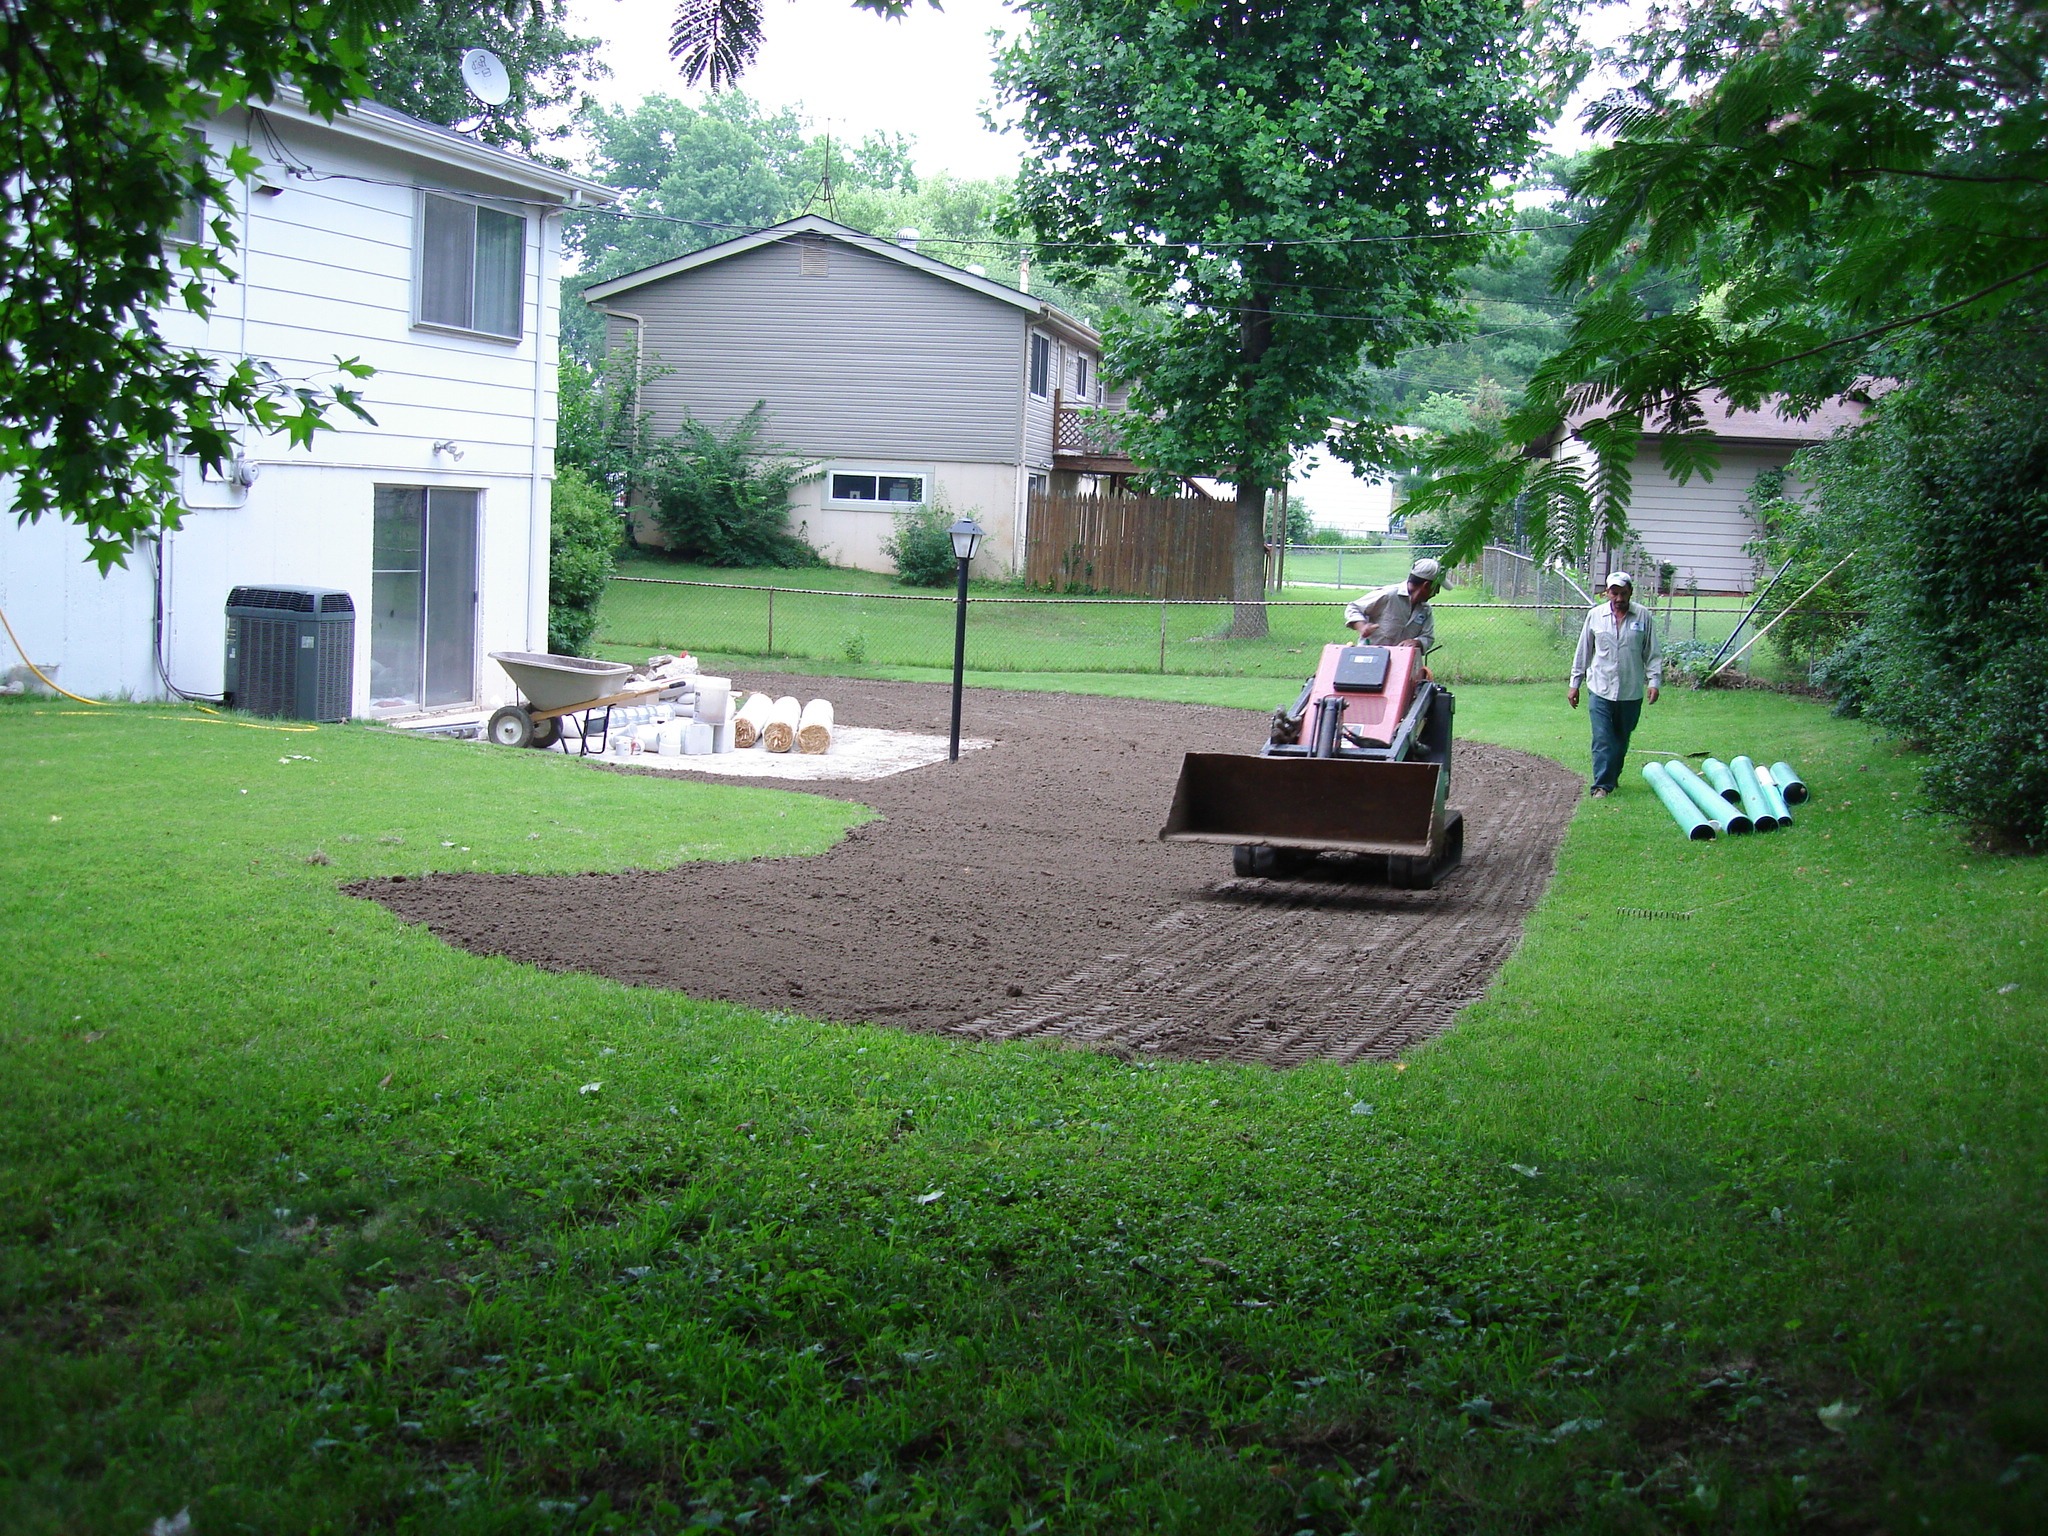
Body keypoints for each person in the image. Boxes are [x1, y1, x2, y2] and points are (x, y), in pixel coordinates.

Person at [1568, 571, 1662, 798]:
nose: (1619, 598)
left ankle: (1612, 775)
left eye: (1623, 593)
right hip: (1600, 687)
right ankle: (1601, 786)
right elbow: (1584, 651)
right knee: (1602, 737)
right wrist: (1575, 683)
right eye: (1614, 593)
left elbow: (1652, 652)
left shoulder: (1643, 616)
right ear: (1607, 593)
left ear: (1630, 592)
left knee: (1621, 739)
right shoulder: (1595, 616)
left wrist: (1654, 681)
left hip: (1630, 690)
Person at [1345, 557, 1441, 651]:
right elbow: (1353, 607)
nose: (1437, 592)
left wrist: (1417, 642)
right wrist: (1362, 626)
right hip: (1372, 655)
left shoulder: (1425, 609)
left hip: (1403, 659)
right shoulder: (1389, 595)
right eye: (1437, 587)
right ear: (1426, 586)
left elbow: (1428, 636)